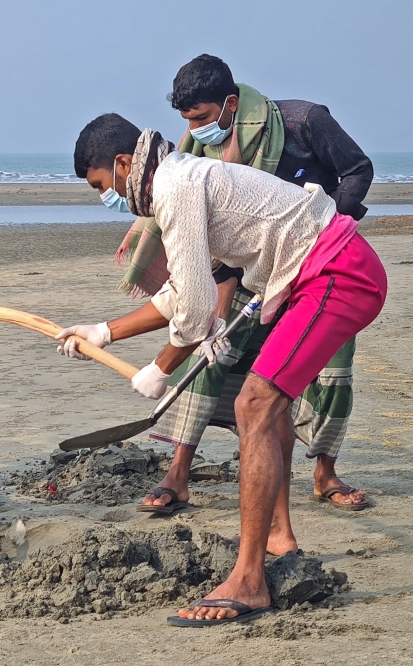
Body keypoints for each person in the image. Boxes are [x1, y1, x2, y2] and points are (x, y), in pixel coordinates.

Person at [64, 114, 386, 625]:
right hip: (313, 275)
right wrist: (104, 331)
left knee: (252, 404)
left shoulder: (175, 186)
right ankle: (277, 535)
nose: (108, 196)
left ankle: (250, 580)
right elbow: (181, 293)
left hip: (338, 273)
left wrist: (160, 367)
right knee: (268, 405)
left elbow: (193, 309)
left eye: (103, 185)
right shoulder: (178, 176)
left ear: (124, 164)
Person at [115, 55, 374, 519]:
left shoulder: (303, 122)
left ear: (231, 103)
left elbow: (358, 170)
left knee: (333, 371)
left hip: (321, 260)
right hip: (243, 267)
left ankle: (325, 473)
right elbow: (200, 240)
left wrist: (330, 228)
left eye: (201, 117)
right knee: (210, 354)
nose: (194, 130)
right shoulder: (194, 151)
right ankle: (179, 472)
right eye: (186, 121)